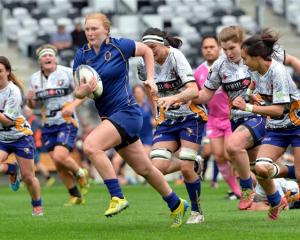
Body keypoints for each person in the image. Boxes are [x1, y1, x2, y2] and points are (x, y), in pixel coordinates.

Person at [73, 13, 188, 228]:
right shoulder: (82, 55)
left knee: (91, 146)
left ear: (106, 30)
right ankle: (177, 204)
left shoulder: (119, 46)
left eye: (94, 29)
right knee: (144, 169)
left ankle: (117, 196)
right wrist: (84, 90)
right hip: (110, 117)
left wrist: (150, 78)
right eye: (87, 29)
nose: (90, 33)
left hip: (127, 112)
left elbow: (145, 51)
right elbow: (77, 92)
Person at [193, 26, 266, 210]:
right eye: (224, 49)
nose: (228, 53)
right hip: (235, 120)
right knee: (262, 168)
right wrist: (181, 97)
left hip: (259, 115)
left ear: (242, 44)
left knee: (232, 147)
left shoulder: (255, 58)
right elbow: (205, 95)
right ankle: (278, 197)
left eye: (232, 48)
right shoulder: (219, 65)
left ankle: (246, 188)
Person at [139, 27, 207, 224]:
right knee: (155, 169)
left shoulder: (176, 56)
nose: (150, 52)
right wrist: (156, 114)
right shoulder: (143, 65)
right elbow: (150, 92)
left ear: (163, 44)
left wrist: (173, 98)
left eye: (153, 47)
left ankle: (197, 212)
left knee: (185, 169)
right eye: (146, 49)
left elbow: (194, 90)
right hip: (168, 121)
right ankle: (194, 163)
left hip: (190, 116)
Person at [232, 29, 300, 219]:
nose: (243, 62)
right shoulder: (255, 70)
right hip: (277, 128)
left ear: (257, 57)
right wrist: (248, 95)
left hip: (297, 125)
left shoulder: (278, 72)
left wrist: (247, 107)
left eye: (245, 58)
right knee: (261, 169)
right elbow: (253, 86)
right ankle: (278, 200)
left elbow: (279, 110)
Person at [27, 44, 89, 206]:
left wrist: (72, 106)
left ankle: (81, 173)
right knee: (57, 162)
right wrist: (30, 99)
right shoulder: (34, 78)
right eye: (44, 56)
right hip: (48, 124)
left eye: (50, 55)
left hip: (66, 122)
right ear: (39, 60)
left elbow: (85, 93)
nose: (47, 58)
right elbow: (33, 106)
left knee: (60, 156)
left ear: (55, 58)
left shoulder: (67, 73)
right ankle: (75, 196)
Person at [194, 35, 241, 199]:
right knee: (219, 156)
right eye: (205, 47)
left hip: (231, 117)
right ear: (202, 50)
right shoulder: (198, 72)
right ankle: (237, 191)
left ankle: (250, 187)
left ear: (219, 48)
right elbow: (197, 97)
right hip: (213, 119)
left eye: (212, 46)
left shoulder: (229, 66)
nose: (208, 50)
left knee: (232, 153)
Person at [0, 56, 43, 216]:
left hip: (20, 137)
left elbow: (7, 121)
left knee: (28, 176)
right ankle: (11, 169)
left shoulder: (13, 91)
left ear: (8, 72)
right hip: (2, 139)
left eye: (0, 71)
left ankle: (37, 205)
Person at [23, 106, 55, 186]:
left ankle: (48, 178)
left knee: (32, 162)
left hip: (32, 145)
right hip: (30, 144)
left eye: (27, 111)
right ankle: (48, 178)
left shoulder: (34, 121)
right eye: (25, 112)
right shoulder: (29, 120)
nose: (26, 113)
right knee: (31, 162)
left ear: (31, 112)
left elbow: (34, 132)